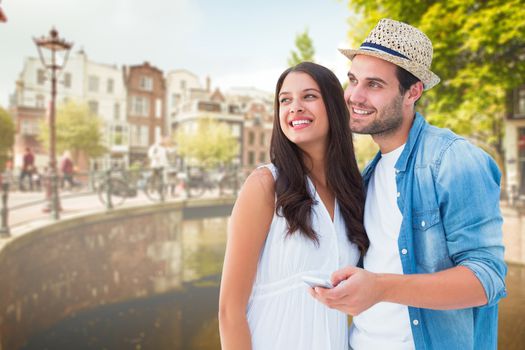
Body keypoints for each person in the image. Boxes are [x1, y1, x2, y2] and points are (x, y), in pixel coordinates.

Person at [310, 18, 507, 349]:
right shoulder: (368, 175)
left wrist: (381, 288)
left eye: (374, 85)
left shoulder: (454, 160)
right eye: (353, 80)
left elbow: (487, 280)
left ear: (412, 92)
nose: (354, 96)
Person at [218, 62, 368, 350]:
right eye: (285, 100)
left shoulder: (352, 192)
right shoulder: (265, 185)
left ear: (334, 107)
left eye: (309, 96)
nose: (294, 107)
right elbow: (229, 311)